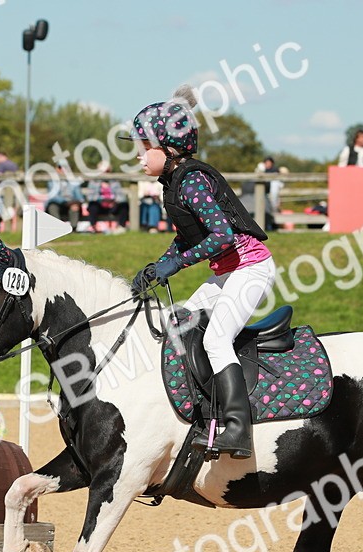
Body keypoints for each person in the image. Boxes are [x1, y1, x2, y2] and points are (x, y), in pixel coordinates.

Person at [123, 85, 275, 459]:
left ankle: (238, 428)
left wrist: (177, 263)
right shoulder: (174, 184)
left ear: (169, 147)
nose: (140, 157)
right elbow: (188, 238)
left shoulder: (192, 181)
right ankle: (204, 413)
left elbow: (222, 237)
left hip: (250, 267)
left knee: (215, 340)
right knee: (180, 325)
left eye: (145, 149)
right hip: (228, 272)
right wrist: (161, 265)